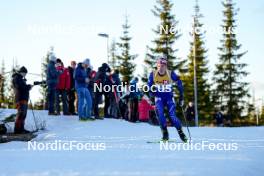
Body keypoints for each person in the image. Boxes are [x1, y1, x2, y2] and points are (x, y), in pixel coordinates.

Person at [148, 56, 188, 142]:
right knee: (161, 115)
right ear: (157, 66)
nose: (161, 68)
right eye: (159, 66)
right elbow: (149, 87)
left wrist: (181, 96)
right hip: (159, 98)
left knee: (173, 116)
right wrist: (151, 97)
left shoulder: (170, 73)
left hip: (169, 97)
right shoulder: (153, 74)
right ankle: (165, 135)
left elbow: (179, 83)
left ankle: (182, 134)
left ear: (166, 66)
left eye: (163, 66)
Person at [12, 66, 32, 134]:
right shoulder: (17, 78)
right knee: (20, 114)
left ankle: (21, 129)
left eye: (25, 73)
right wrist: (28, 87)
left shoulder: (21, 79)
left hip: (24, 99)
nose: (25, 74)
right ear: (21, 72)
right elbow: (20, 87)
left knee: (23, 114)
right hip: (20, 98)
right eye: (24, 73)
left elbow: (23, 87)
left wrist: (28, 86)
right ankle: (17, 129)